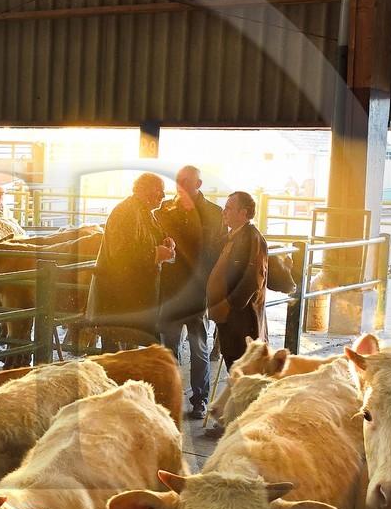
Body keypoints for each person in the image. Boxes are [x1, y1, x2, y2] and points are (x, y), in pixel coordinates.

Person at [154, 165, 225, 420]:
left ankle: (199, 400)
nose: (181, 184)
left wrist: (214, 288)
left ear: (199, 183)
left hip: (198, 292)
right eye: (179, 180)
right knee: (169, 347)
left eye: (187, 180)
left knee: (198, 348)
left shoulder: (215, 215)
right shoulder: (163, 213)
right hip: (171, 291)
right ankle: (169, 397)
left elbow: (219, 255)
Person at [90, 172, 175, 350]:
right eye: (159, 190)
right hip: (118, 299)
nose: (163, 196)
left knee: (126, 352)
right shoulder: (126, 212)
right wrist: (154, 253)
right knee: (116, 356)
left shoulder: (142, 211)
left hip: (129, 299)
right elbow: (120, 252)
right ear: (145, 190)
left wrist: (166, 240)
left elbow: (148, 236)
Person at [208, 189, 269, 371]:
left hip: (241, 320)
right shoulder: (232, 237)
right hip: (229, 318)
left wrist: (228, 304)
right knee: (233, 366)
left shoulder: (252, 238)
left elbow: (252, 280)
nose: (223, 212)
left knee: (244, 370)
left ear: (243, 212)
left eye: (229, 208)